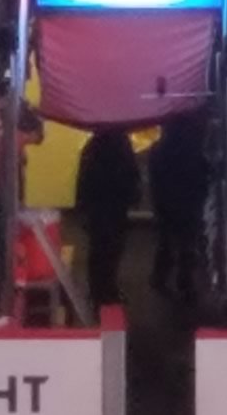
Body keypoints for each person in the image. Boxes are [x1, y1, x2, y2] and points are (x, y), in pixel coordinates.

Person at [148, 110, 211, 304]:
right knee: (187, 245)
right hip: (189, 203)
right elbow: (203, 175)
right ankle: (185, 284)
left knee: (166, 242)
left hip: (166, 202)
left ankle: (159, 277)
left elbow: (155, 179)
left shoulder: (158, 150)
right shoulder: (194, 150)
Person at [75, 128, 142, 311]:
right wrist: (134, 197)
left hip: (98, 208)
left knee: (98, 251)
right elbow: (132, 174)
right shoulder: (123, 145)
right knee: (113, 249)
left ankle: (98, 293)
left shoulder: (92, 147)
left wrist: (82, 208)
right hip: (116, 207)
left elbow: (82, 180)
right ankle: (108, 289)